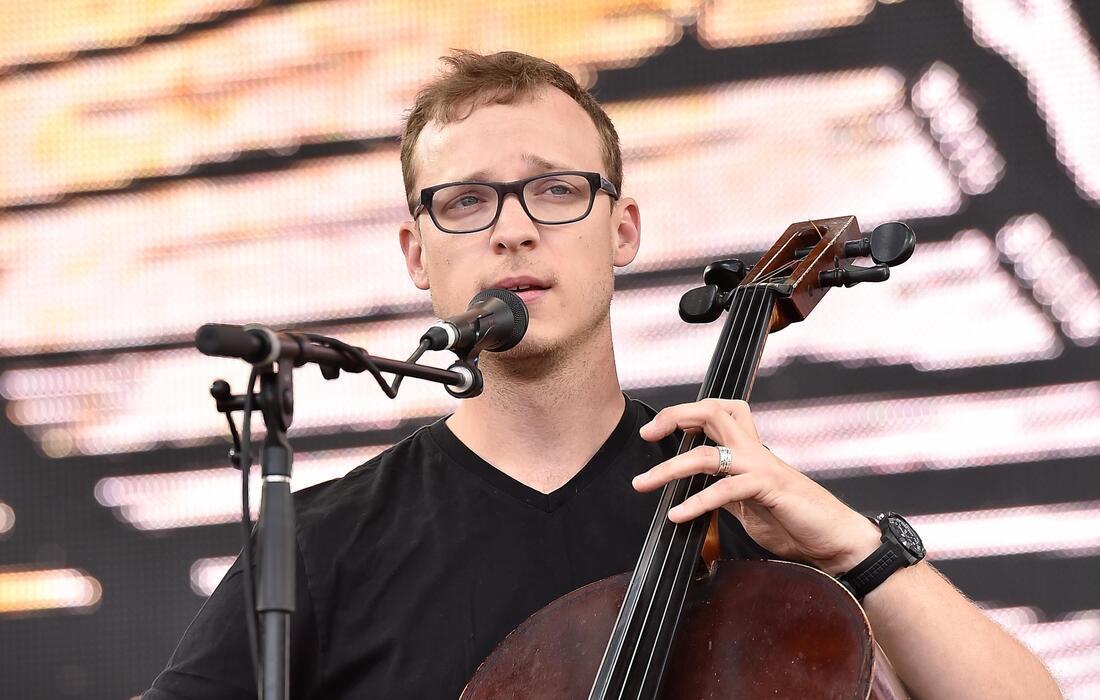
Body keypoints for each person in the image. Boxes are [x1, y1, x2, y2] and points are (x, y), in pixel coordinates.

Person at [145, 50, 1063, 699]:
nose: (512, 229)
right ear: (415, 253)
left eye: (554, 190)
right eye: (465, 201)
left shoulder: (744, 508)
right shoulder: (322, 541)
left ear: (621, 229)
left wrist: (849, 550)